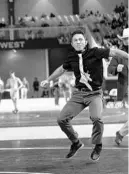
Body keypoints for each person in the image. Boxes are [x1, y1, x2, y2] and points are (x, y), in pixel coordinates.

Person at [40, 29, 128, 161]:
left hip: (95, 94)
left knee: (97, 118)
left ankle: (97, 145)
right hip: (79, 94)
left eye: (81, 39)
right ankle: (76, 142)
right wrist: (48, 80)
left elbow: (114, 52)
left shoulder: (96, 52)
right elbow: (61, 69)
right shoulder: (71, 57)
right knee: (61, 119)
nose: (78, 42)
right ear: (72, 44)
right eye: (75, 40)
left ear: (86, 42)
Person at [108, 28, 128, 146]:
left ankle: (120, 133)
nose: (126, 41)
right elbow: (110, 69)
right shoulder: (118, 54)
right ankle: (120, 133)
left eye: (128, 38)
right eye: (125, 39)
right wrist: (116, 69)